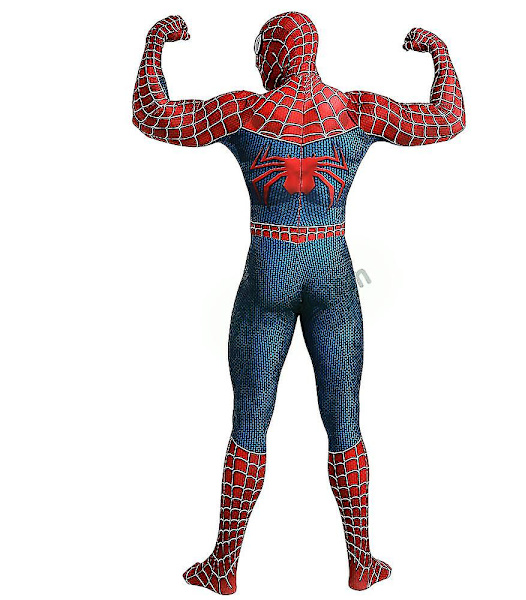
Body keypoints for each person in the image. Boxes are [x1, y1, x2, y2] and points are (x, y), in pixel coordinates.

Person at [132, 11, 465, 593]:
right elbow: (446, 119)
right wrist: (437, 53)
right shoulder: (357, 111)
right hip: (332, 268)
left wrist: (156, 43)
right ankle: (361, 562)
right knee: (345, 419)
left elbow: (152, 115)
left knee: (250, 421)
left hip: (270, 267)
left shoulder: (243, 112)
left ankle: (224, 565)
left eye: (261, 54)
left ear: (272, 56)